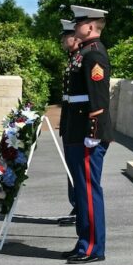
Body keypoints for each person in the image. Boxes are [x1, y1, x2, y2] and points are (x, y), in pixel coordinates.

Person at [62, 6, 114, 264]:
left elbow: (99, 98)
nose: (75, 27)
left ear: (91, 26)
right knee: (82, 191)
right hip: (77, 131)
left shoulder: (94, 55)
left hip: (87, 133)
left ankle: (93, 247)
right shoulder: (83, 53)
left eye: (79, 22)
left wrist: (93, 133)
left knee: (89, 190)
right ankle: (83, 242)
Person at [57, 20, 79, 226]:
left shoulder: (83, 59)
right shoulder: (73, 59)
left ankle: (80, 208)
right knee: (71, 169)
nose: (63, 40)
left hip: (78, 125)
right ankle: (77, 206)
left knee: (77, 170)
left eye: (66, 36)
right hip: (69, 123)